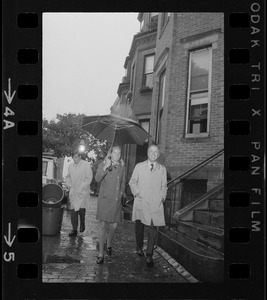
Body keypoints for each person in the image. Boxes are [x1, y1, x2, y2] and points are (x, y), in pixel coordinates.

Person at [129, 144, 167, 267]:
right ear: (147, 152)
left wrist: (162, 197)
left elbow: (164, 186)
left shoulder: (162, 169)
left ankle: (149, 254)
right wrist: (137, 193)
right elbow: (132, 182)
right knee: (139, 226)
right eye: (151, 151)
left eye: (156, 152)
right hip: (141, 200)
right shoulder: (139, 167)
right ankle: (139, 246)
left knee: (152, 227)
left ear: (158, 154)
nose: (153, 154)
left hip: (155, 203)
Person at [95, 146, 126, 264]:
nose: (117, 155)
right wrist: (105, 166)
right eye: (115, 152)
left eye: (119, 153)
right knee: (102, 226)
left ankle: (109, 241)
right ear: (110, 153)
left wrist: (122, 192)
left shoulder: (122, 166)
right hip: (105, 199)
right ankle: (101, 254)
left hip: (116, 200)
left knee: (114, 226)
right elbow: (97, 179)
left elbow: (123, 181)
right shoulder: (103, 163)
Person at [65, 149, 93, 237]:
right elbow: (68, 177)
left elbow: (88, 178)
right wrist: (69, 185)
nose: (74, 159)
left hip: (82, 191)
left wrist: (82, 187)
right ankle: (74, 230)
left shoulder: (86, 165)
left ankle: (82, 223)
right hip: (74, 192)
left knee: (81, 210)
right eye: (73, 157)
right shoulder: (71, 166)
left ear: (80, 156)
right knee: (73, 212)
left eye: (76, 157)